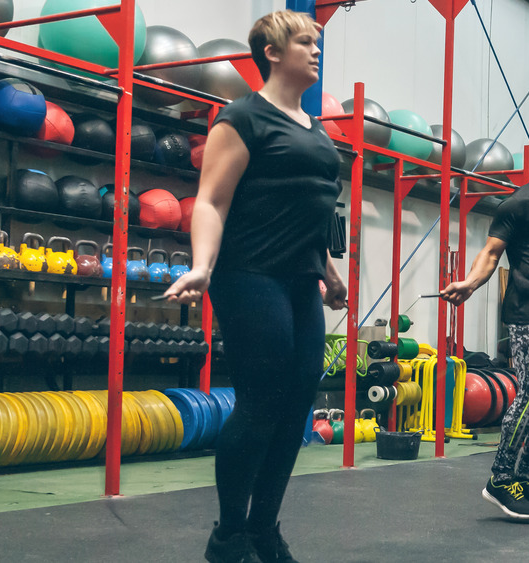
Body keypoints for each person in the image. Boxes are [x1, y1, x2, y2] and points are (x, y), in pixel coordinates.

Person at [163, 10, 347, 563]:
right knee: (260, 402)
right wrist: (201, 266)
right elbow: (212, 202)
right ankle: (229, 536)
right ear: (272, 50)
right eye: (306, 42)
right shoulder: (241, 117)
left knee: (295, 409)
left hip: (301, 283)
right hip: (249, 276)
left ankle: (264, 529)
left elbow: (314, 214)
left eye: (318, 43)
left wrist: (330, 273)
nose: (316, 51)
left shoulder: (314, 129)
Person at [441, 129, 529, 519]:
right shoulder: (517, 203)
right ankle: (500, 479)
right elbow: (491, 252)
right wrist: (470, 283)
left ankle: (525, 478)